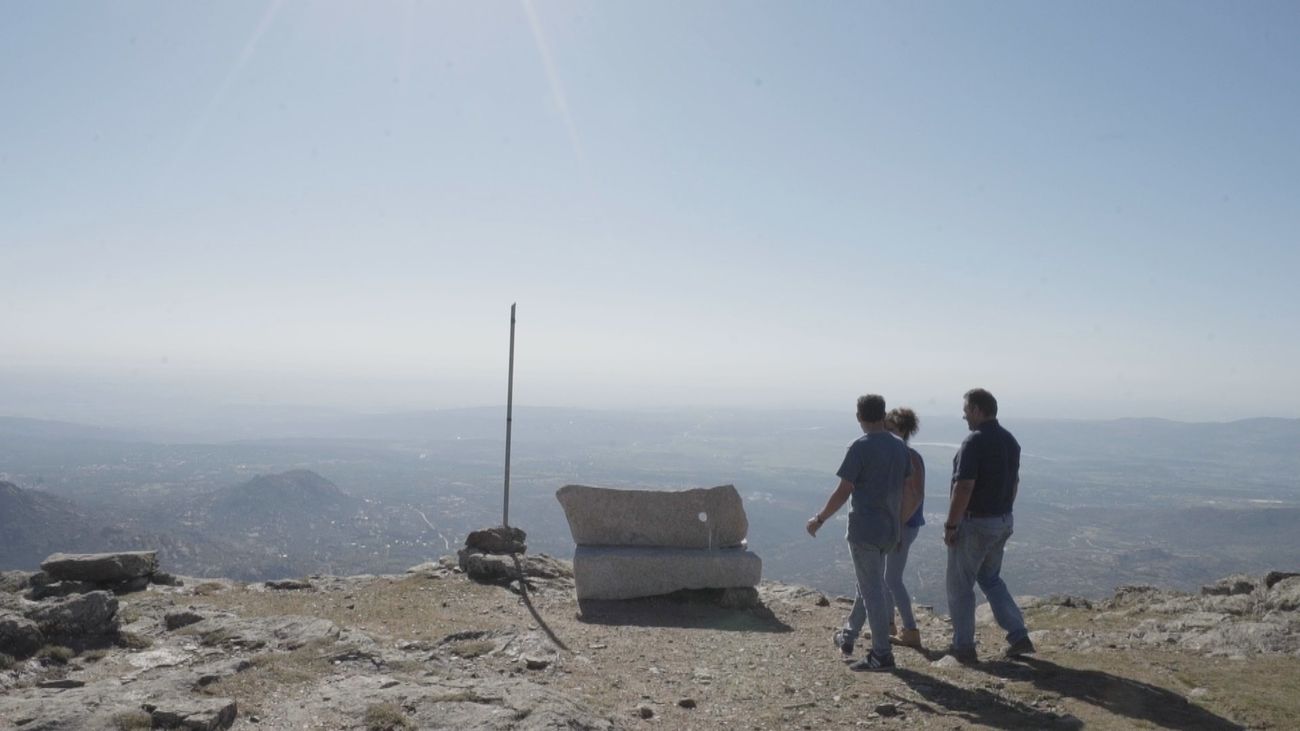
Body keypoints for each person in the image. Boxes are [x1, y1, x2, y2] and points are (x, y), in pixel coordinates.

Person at [807, 394, 912, 671]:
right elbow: (905, 489)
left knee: (872, 590)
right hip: (890, 529)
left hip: (865, 529)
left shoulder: (859, 447)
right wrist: (899, 528)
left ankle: (881, 654)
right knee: (869, 584)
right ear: (883, 414)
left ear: (858, 417)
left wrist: (820, 519)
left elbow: (844, 491)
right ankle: (848, 635)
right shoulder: (900, 447)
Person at [943, 388, 1033, 662]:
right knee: (990, 579)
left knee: (960, 585)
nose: (964, 415)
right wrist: (1003, 513)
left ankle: (964, 647)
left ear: (977, 410)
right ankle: (1019, 635)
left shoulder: (974, 442)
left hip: (976, 523)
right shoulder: (1010, 440)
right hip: (1002, 520)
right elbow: (1014, 483)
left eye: (966, 410)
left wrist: (951, 525)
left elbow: (965, 486)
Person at [884, 407, 925, 648]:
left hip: (903, 525)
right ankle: (888, 625)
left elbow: (914, 495)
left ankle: (910, 629)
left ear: (904, 431)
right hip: (899, 524)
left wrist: (897, 526)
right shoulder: (905, 455)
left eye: (892, 430)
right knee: (886, 577)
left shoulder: (908, 457)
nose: (887, 434)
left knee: (892, 578)